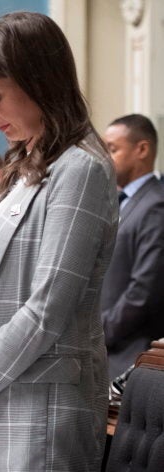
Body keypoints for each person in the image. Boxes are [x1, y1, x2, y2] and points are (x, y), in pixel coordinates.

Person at [0, 12, 118, 471]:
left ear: (41, 83)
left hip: (42, 408)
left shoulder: (81, 168)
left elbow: (47, 307)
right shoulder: (28, 162)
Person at [101, 114, 164, 378]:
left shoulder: (156, 205)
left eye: (112, 149)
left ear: (142, 149)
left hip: (130, 352)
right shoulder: (117, 200)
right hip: (108, 351)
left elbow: (143, 290)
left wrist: (100, 332)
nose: (105, 158)